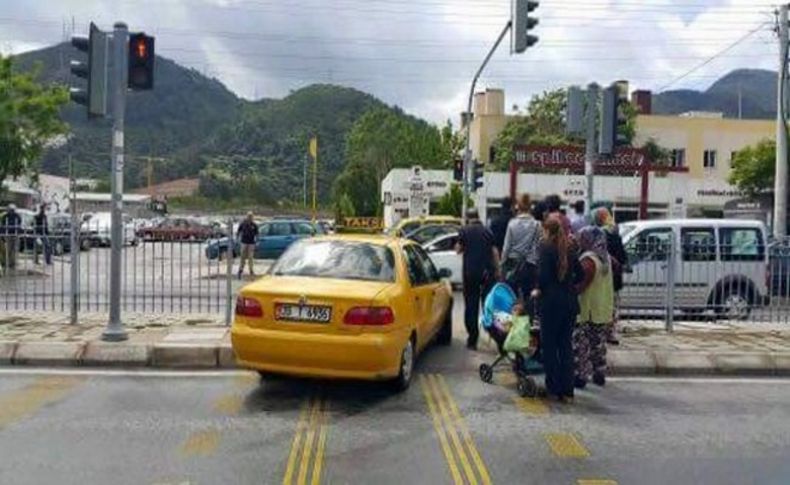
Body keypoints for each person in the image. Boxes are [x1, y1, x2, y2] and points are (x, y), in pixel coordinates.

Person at [533, 215, 582, 403]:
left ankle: (553, 387)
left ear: (546, 230)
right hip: (569, 303)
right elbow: (581, 274)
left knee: (550, 347)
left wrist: (538, 290)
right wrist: (568, 285)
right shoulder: (570, 248)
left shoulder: (544, 248)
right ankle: (567, 391)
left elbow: (543, 277)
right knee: (566, 346)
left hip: (550, 304)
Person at [573, 226, 615, 388]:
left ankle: (581, 377)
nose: (579, 240)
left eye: (582, 238)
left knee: (581, 344)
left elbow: (581, 285)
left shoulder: (589, 260)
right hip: (602, 307)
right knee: (598, 344)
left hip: (587, 308)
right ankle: (599, 374)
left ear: (589, 240)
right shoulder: (606, 258)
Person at [456, 209, 500, 350]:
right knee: (487, 306)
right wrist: (497, 270)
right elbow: (494, 252)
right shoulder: (487, 231)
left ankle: (472, 339)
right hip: (487, 273)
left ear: (468, 218)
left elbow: (458, 249)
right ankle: (495, 335)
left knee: (471, 306)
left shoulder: (464, 231)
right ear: (478, 216)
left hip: (470, 274)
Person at [593, 207, 627, 345]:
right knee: (612, 306)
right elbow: (623, 257)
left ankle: (600, 332)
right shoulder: (615, 233)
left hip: (602, 276)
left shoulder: (599, 234)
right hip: (615, 276)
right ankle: (610, 333)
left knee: (601, 305)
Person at [501, 194, 541, 303]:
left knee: (511, 297)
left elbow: (506, 247)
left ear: (518, 207)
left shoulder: (512, 224)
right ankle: (528, 318)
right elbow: (538, 246)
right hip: (530, 264)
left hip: (512, 264)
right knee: (529, 297)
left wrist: (502, 265)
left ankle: (513, 319)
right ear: (530, 207)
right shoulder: (537, 225)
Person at [237, 212, 259, 278]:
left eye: (251, 216)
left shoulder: (254, 225)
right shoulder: (243, 224)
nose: (250, 217)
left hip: (251, 243)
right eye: (249, 216)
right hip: (244, 242)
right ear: (246, 216)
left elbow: (257, 234)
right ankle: (240, 270)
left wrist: (257, 241)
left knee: (250, 258)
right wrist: (238, 239)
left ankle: (251, 271)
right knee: (242, 257)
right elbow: (238, 231)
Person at [1, 204, 22, 270]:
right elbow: (3, 225)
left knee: (12, 249)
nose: (11, 212)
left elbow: (19, 223)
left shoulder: (15, 216)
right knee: (10, 249)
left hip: (13, 234)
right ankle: (10, 263)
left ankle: (11, 263)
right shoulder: (7, 216)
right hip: (10, 234)